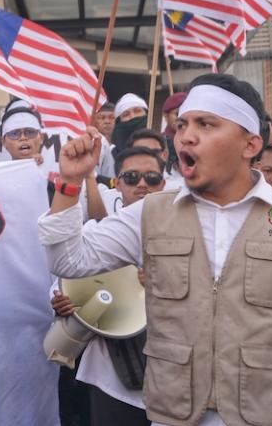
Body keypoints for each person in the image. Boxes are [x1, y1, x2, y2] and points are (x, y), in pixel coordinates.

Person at [39, 73, 272, 426]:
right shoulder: (153, 211)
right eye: (184, 124)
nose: (186, 135)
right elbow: (69, 260)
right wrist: (69, 183)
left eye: (207, 124)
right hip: (173, 416)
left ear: (250, 146)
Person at [51, 146, 166, 426]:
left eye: (151, 177)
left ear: (163, 184)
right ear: (117, 185)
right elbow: (62, 275)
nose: (142, 184)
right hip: (112, 379)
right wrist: (62, 303)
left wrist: (161, 280)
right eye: (131, 177)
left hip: (174, 376)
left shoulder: (189, 229)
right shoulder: (94, 231)